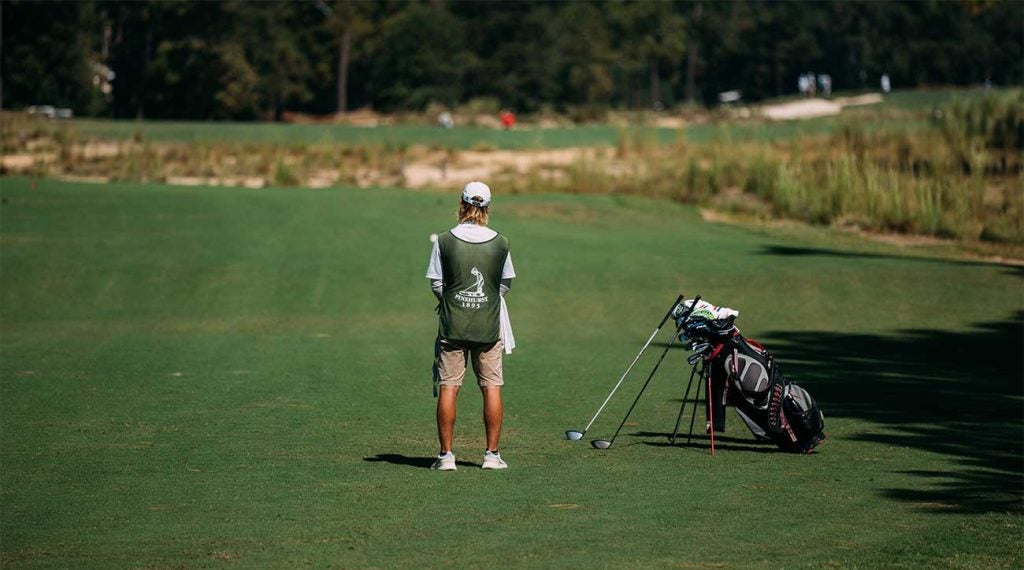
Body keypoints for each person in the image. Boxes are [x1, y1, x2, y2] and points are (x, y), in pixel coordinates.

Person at [425, 181, 516, 470]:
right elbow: (504, 284)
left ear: (462, 204)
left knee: (449, 387)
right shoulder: (501, 241)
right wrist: (483, 302)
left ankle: (446, 456)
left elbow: (437, 283)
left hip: (452, 325)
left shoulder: (444, 239)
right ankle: (491, 455)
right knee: (491, 387)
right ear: (486, 208)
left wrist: (457, 302)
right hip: (488, 327)